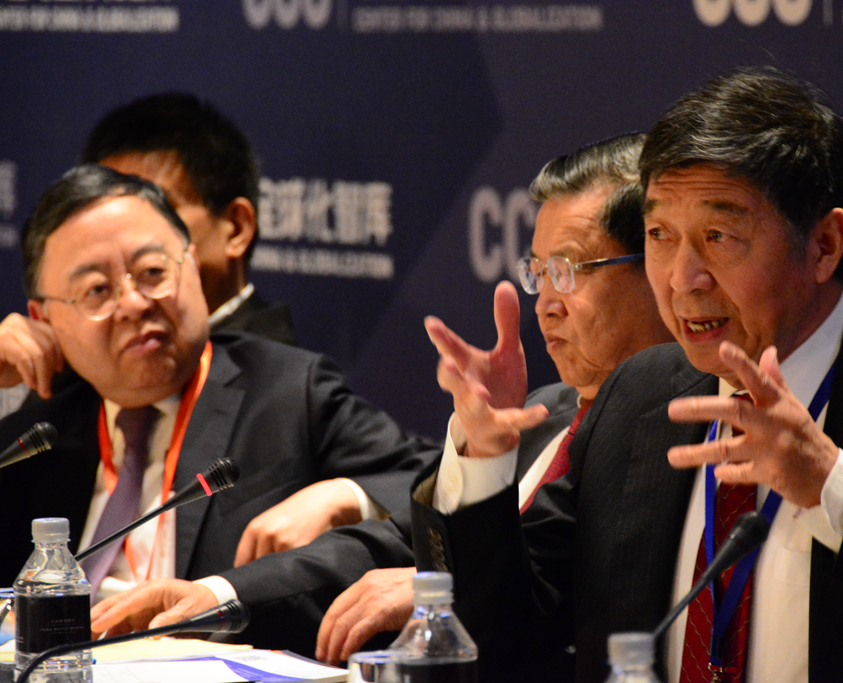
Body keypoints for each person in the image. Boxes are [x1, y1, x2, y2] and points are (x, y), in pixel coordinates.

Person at [410, 67, 843, 683]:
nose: (682, 278)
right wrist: (483, 462)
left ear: (824, 244)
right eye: (659, 235)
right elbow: (506, 638)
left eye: (719, 236)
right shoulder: (639, 398)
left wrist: (831, 486)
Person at [87, 134, 674, 666]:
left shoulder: (674, 441)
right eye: (539, 273)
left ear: (657, 266)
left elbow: (544, 610)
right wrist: (220, 595)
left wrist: (434, 588)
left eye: (569, 270)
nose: (546, 303)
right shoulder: (546, 415)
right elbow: (394, 543)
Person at [0, 165, 436, 653]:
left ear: (191, 264)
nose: (135, 304)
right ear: (43, 318)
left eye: (153, 272)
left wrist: (345, 495)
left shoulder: (288, 393)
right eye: (98, 290)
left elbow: (434, 492)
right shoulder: (37, 437)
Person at [81, 93, 295, 345]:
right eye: (108, 213)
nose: (125, 238)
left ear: (237, 228)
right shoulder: (82, 353)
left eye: (159, 208)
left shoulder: (274, 366)